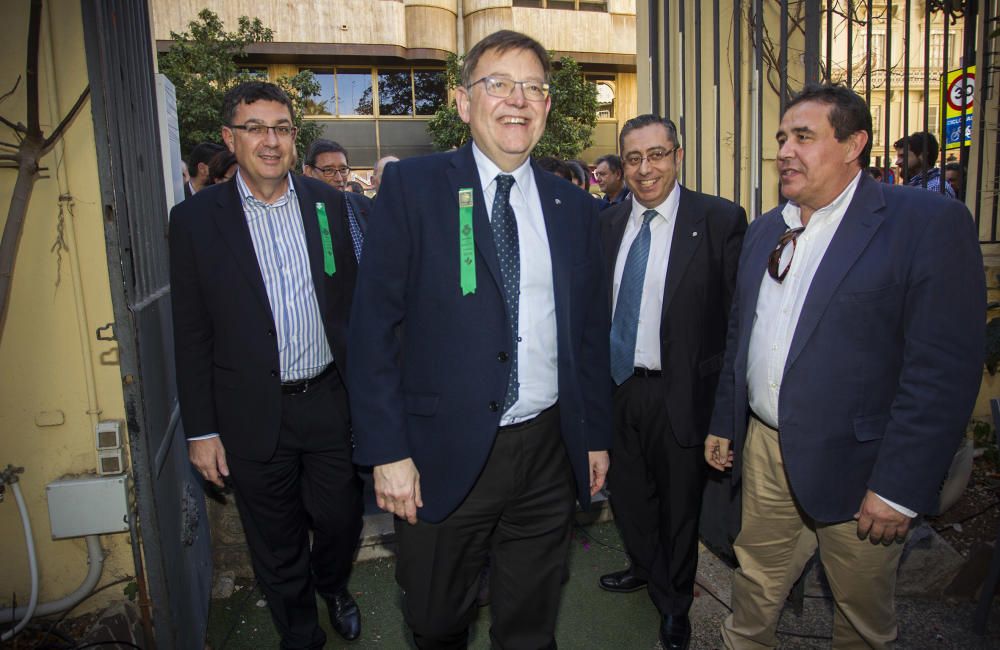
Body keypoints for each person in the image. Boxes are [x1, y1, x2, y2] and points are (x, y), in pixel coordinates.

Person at [347, 30, 612, 649]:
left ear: (547, 106)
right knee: (438, 620)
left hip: (546, 451)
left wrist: (595, 436)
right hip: (439, 452)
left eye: (534, 88)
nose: (517, 99)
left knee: (530, 623)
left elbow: (588, 337)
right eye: (498, 83)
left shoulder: (572, 209)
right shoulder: (413, 189)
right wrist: (387, 451)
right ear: (464, 102)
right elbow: (373, 332)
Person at [705, 83, 984, 649]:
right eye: (783, 137)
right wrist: (724, 420)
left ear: (854, 143)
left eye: (803, 137)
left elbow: (942, 370)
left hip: (861, 466)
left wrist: (900, 487)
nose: (785, 150)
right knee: (754, 587)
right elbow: (743, 334)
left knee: (860, 617)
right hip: (764, 449)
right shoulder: (766, 228)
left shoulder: (924, 224)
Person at [169, 81, 364, 648]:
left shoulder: (328, 204)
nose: (271, 141)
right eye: (255, 128)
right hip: (250, 411)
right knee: (274, 541)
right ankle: (300, 634)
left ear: (294, 138)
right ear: (231, 138)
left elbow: (349, 305)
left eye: (281, 128)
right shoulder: (196, 220)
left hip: (329, 400)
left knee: (341, 520)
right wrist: (202, 430)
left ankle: (333, 583)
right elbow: (191, 332)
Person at [598, 114, 746, 650]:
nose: (646, 168)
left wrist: (726, 413)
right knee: (632, 500)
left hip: (682, 393)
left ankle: (675, 604)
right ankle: (646, 568)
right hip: (618, 388)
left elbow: (736, 322)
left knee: (679, 509)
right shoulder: (607, 223)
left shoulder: (719, 219)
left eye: (657, 154)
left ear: (678, 156)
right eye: (634, 158)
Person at [303, 138, 371, 262]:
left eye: (343, 170)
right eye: (328, 170)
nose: (339, 178)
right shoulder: (300, 212)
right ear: (309, 172)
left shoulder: (365, 205)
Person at [893, 131, 956, 197]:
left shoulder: (935, 188)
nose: (897, 162)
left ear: (923, 156)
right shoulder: (915, 185)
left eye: (903, 156)